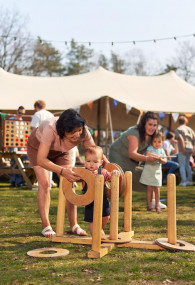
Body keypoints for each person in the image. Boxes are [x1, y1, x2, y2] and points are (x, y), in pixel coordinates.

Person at [27, 109, 109, 238]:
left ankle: (73, 225)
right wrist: (62, 171)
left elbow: (96, 153)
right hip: (37, 148)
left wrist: (109, 167)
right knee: (45, 184)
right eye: (72, 132)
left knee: (69, 182)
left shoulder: (83, 130)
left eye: (79, 130)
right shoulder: (50, 128)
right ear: (62, 130)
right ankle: (46, 225)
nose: (77, 134)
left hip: (62, 151)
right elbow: (41, 160)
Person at [109, 111, 166, 209]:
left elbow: (153, 149)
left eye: (155, 125)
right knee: (120, 178)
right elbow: (132, 154)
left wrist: (159, 157)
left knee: (146, 174)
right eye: (150, 124)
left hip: (131, 158)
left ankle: (153, 202)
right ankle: (112, 203)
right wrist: (148, 158)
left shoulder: (153, 135)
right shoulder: (134, 133)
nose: (152, 127)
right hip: (118, 154)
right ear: (144, 124)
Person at [82, 146, 119, 236]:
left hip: (103, 199)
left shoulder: (103, 172)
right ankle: (95, 236)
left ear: (101, 162)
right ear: (85, 161)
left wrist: (114, 173)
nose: (91, 164)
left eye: (95, 162)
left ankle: (98, 229)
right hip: (90, 200)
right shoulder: (83, 173)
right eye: (88, 161)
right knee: (92, 220)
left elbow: (110, 177)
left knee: (106, 216)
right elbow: (74, 175)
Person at [30, 100, 56, 188]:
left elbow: (34, 129)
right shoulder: (50, 114)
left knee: (41, 162)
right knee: (49, 162)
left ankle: (43, 184)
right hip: (52, 140)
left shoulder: (37, 114)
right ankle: (48, 183)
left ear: (36, 107)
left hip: (40, 140)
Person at [140, 132, 167, 212]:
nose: (157, 144)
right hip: (149, 171)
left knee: (157, 189)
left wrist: (160, 159)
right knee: (149, 189)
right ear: (152, 142)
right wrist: (156, 156)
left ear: (162, 142)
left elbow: (165, 161)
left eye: (159, 142)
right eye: (155, 141)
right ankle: (149, 205)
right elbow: (148, 154)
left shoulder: (162, 150)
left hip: (157, 173)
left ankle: (157, 205)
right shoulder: (150, 148)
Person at [175, 116, 195, 186]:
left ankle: (183, 181)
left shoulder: (178, 129)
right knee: (187, 165)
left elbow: (181, 139)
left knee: (182, 165)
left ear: (179, 121)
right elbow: (194, 137)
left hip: (183, 148)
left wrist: (183, 148)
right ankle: (190, 181)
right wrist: (194, 147)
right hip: (190, 147)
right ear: (185, 121)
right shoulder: (189, 129)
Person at [9, 106, 26, 187]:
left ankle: (19, 181)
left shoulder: (23, 122)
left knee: (20, 161)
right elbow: (7, 131)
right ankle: (12, 181)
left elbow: (25, 134)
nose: (21, 115)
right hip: (12, 142)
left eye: (22, 113)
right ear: (17, 112)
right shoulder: (11, 120)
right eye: (20, 113)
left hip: (20, 143)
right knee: (13, 160)